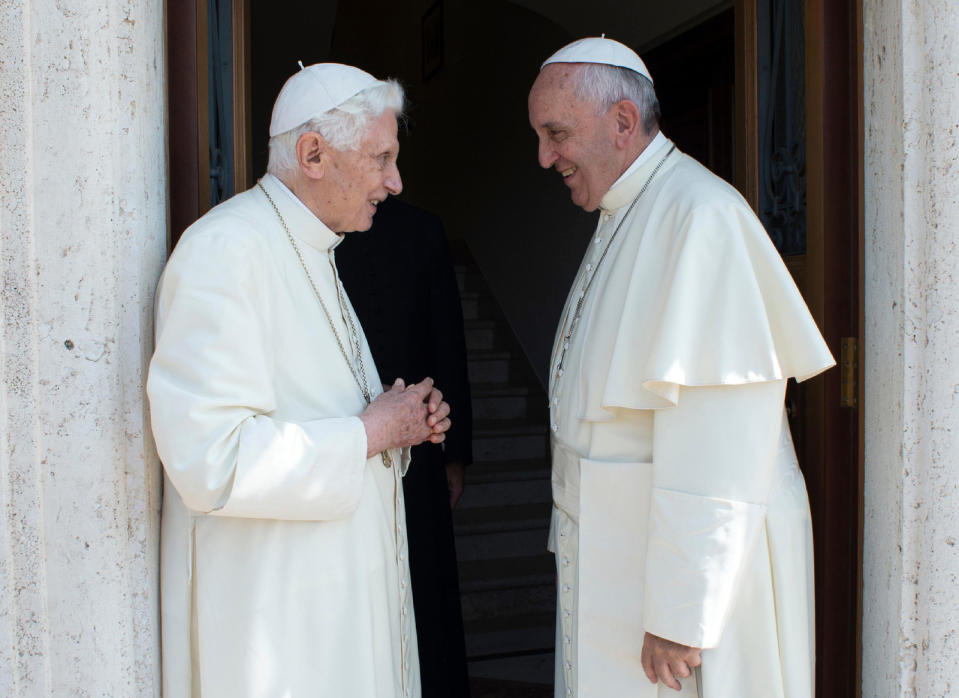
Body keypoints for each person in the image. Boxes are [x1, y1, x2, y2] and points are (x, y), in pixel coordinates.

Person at [527, 37, 835, 697]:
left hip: (688, 588)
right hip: (621, 551)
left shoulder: (701, 217)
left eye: (555, 134)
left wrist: (680, 612)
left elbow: (720, 436)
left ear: (621, 123)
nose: (544, 157)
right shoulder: (630, 210)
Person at [147, 62, 452, 698]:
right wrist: (369, 433)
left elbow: (318, 415)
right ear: (313, 153)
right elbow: (212, 459)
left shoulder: (312, 248)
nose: (395, 183)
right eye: (381, 159)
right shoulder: (227, 250)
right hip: (279, 632)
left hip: (329, 613)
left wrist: (397, 421)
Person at [337, 197, 473, 697]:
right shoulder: (310, 235)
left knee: (426, 586)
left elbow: (446, 338)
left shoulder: (423, 228)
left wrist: (454, 452)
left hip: (420, 445)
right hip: (339, 448)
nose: (391, 177)